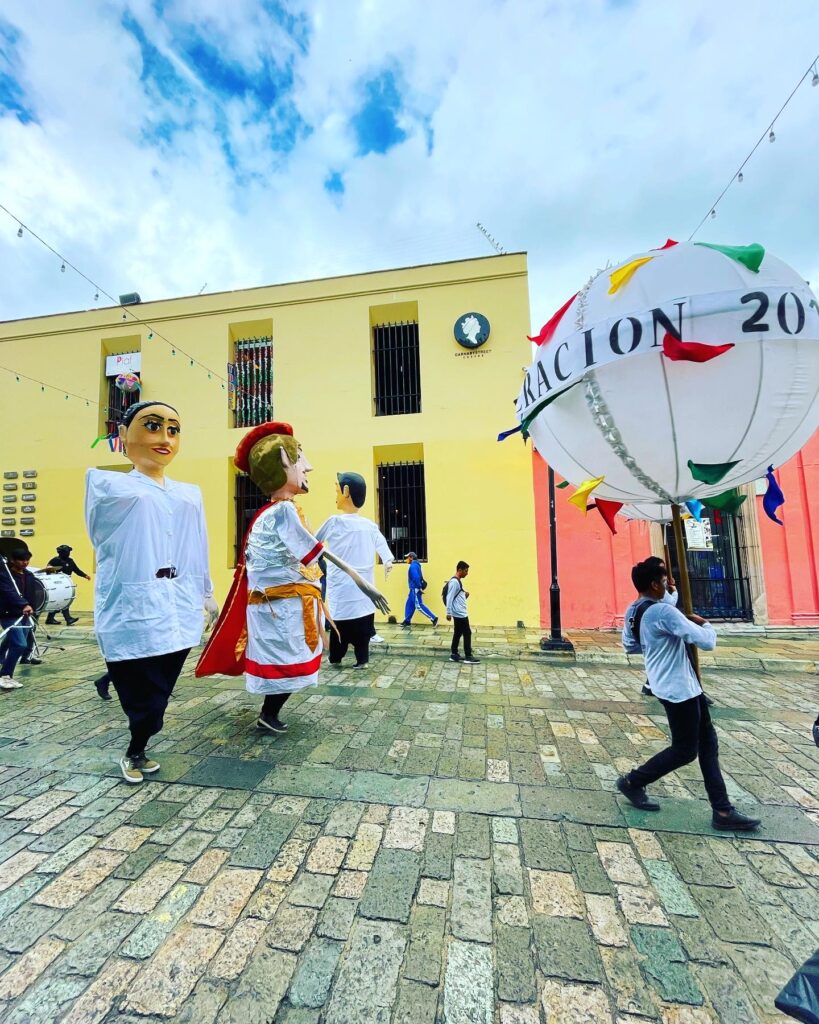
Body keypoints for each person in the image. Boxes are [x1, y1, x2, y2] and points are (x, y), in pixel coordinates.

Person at [196, 422, 388, 733]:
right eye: (301, 459)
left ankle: (268, 713)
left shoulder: (269, 512)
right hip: (280, 610)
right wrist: (361, 580)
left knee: (283, 663)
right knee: (285, 663)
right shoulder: (282, 512)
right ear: (284, 463)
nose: (308, 466)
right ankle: (268, 715)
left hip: (276, 608)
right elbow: (315, 551)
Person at [86, 400, 218, 784]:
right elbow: (103, 540)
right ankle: (134, 750)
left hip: (178, 603)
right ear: (124, 436)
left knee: (162, 686)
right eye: (153, 426)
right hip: (133, 606)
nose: (164, 438)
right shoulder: (110, 486)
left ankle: (139, 744)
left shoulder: (189, 494)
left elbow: (199, 543)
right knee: (143, 694)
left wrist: (206, 593)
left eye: (173, 430)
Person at [616, 559, 760, 831]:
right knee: (685, 750)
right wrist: (705, 624)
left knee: (707, 744)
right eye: (662, 581)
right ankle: (633, 781)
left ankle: (722, 810)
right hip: (680, 688)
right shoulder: (663, 614)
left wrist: (662, 635)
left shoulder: (635, 610)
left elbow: (630, 646)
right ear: (653, 584)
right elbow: (706, 642)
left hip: (670, 684)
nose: (665, 584)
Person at [316, 472, 394, 669]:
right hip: (361, 589)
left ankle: (337, 658)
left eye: (336, 490)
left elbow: (312, 542)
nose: (335, 495)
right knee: (358, 629)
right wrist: (388, 560)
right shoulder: (369, 526)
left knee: (341, 628)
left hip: (346, 589)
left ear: (346, 491)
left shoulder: (334, 522)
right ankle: (360, 659)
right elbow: (383, 546)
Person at [0, 545, 37, 689]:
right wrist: (23, 604)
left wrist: (32, 607)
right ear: (13, 560)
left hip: (25, 614)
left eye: (27, 560)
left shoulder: (29, 575)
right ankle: (5, 675)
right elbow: (8, 592)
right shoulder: (5, 575)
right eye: (21, 560)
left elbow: (32, 593)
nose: (25, 563)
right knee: (20, 644)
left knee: (12, 639)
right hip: (9, 614)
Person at [44, 544, 90, 625]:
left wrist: (85, 575)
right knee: (63, 600)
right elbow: (48, 570)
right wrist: (51, 570)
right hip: (57, 584)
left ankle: (50, 619)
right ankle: (68, 619)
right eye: (67, 552)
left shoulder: (70, 561)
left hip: (66, 584)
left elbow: (76, 570)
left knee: (61, 600)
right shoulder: (55, 560)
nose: (68, 553)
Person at [445, 560, 479, 664]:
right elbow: (449, 597)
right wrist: (448, 612)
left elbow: (456, 596)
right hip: (460, 613)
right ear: (460, 570)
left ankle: (454, 654)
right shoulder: (454, 582)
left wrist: (464, 596)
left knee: (458, 633)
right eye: (465, 571)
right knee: (467, 633)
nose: (467, 573)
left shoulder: (457, 581)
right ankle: (468, 656)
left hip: (458, 612)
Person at [401, 552, 438, 627]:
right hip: (413, 589)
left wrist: (418, 587)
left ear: (411, 558)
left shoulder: (413, 566)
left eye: (407, 558)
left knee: (419, 606)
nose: (406, 559)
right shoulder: (416, 565)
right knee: (409, 604)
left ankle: (433, 618)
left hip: (415, 588)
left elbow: (416, 578)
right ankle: (407, 621)